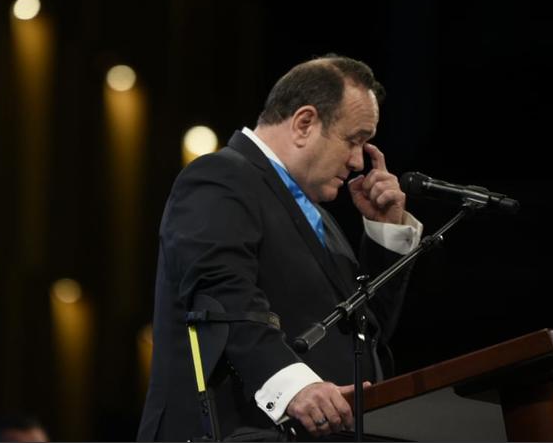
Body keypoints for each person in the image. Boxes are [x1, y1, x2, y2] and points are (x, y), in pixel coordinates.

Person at [137, 54, 422, 441]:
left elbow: (365, 331)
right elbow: (223, 299)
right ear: (304, 123)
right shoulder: (220, 177)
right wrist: (294, 387)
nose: (359, 162)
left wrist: (384, 234)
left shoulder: (323, 221)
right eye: (354, 140)